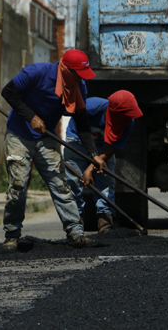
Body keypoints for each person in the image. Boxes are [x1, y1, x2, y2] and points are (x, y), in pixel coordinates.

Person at [0, 49, 106, 251]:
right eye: (78, 74)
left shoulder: (78, 87)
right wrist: (31, 117)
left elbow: (82, 121)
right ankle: (12, 235)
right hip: (19, 136)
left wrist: (93, 155)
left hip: (46, 137)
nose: (81, 79)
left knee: (61, 186)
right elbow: (8, 92)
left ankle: (76, 233)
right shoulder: (36, 73)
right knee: (18, 185)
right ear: (65, 69)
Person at [65, 90, 143, 233]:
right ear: (114, 112)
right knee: (73, 182)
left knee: (106, 181)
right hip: (77, 139)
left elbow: (114, 146)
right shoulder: (92, 107)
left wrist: (90, 168)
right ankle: (75, 225)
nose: (128, 119)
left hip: (103, 146)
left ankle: (105, 224)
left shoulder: (128, 120)